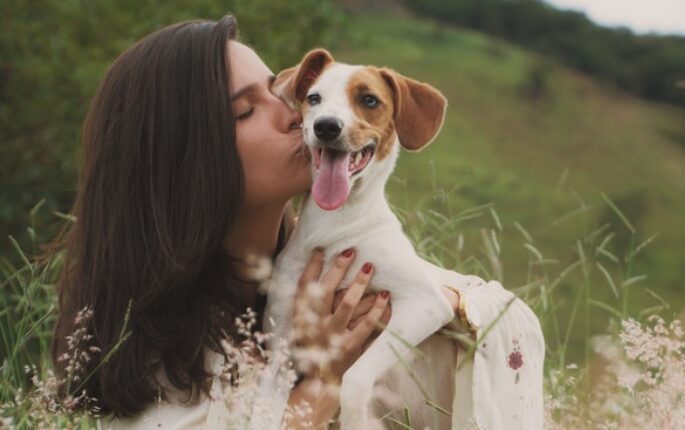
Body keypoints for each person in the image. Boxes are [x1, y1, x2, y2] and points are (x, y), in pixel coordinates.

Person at [51, 15, 545, 430]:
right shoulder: (152, 355)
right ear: (183, 160)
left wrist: (434, 306)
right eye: (246, 111)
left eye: (287, 93)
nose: (296, 117)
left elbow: (503, 316)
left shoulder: (345, 259)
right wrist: (322, 382)